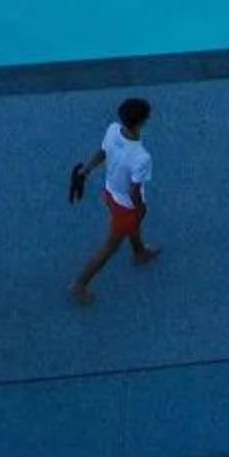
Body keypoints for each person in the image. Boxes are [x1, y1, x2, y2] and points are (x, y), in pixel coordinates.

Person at [69, 99, 158, 306]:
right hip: (125, 205)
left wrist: (85, 170)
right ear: (142, 122)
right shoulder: (141, 157)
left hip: (110, 192)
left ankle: (139, 252)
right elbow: (134, 190)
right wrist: (141, 208)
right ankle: (79, 284)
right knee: (110, 246)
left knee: (132, 224)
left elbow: (102, 152)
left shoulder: (112, 129)